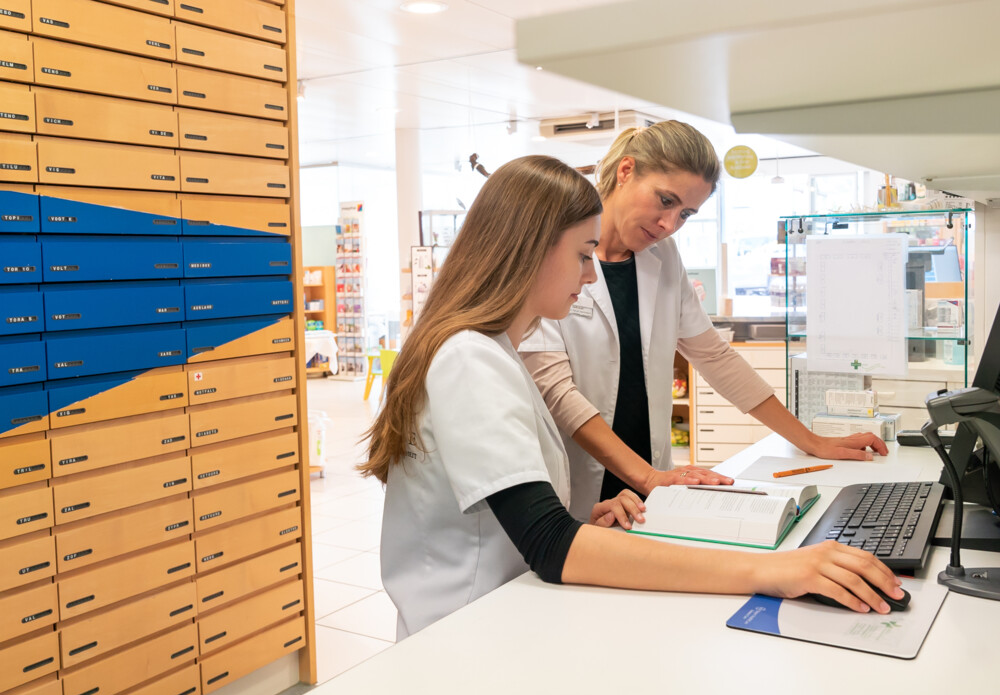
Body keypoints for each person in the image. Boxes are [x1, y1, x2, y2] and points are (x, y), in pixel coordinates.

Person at [359, 154, 903, 640]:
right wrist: (770, 571)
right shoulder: (470, 358)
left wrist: (583, 520)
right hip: (465, 633)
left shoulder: (490, 350)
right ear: (529, 250)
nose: (590, 274)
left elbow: (527, 521)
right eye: (582, 255)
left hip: (510, 613)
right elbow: (548, 543)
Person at [520, 121, 888, 521]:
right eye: (665, 200)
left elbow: (714, 355)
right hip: (581, 485)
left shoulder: (663, 255)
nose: (669, 225)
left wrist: (811, 441)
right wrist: (648, 477)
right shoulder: (555, 249)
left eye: (685, 214)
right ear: (626, 171)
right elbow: (557, 392)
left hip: (649, 484)